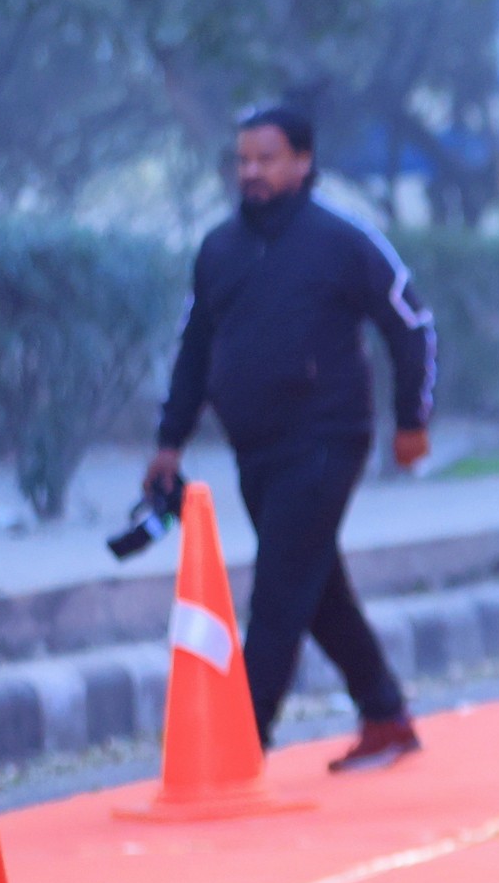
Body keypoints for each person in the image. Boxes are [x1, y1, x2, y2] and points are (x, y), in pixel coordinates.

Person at [147, 104, 435, 771]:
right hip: (255, 446)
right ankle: (386, 715)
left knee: (278, 590)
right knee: (314, 583)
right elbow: (195, 348)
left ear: (303, 162)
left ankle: (240, 744)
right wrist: (169, 441)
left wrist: (412, 421)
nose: (251, 171)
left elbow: (412, 325)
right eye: (243, 159)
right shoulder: (219, 249)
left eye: (267, 159)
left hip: (327, 436)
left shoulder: (343, 241)